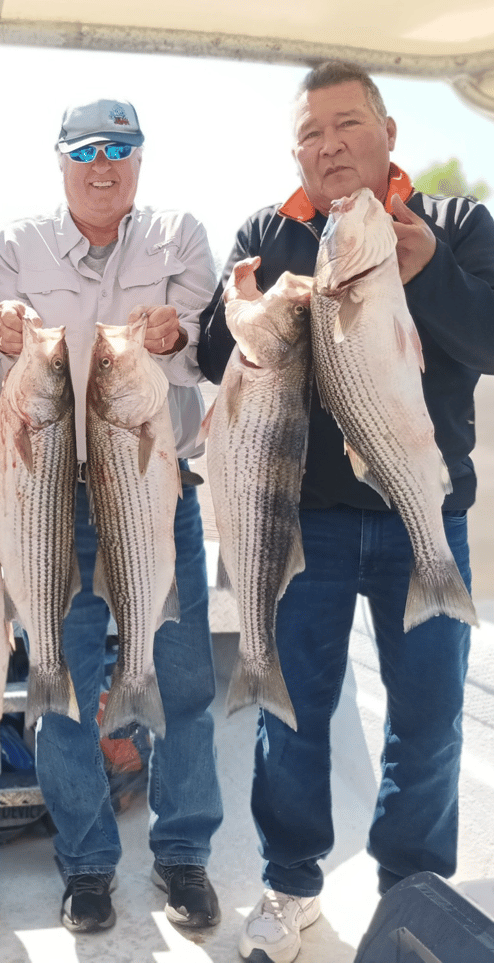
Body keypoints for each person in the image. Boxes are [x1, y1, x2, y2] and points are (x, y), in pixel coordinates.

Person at [198, 60, 494, 963]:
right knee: (291, 716)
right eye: (309, 135)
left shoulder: (456, 223)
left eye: (346, 126)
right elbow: (220, 361)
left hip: (423, 522)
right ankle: (290, 894)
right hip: (304, 525)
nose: (328, 147)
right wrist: (234, 309)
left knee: (430, 723)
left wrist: (432, 271)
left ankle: (412, 899)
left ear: (389, 134)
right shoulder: (270, 229)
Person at [0, 98, 223, 934]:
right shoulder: (15, 245)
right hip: (49, 496)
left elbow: (201, 354)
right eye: (86, 150)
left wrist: (170, 339)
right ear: (61, 161)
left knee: (183, 683)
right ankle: (86, 866)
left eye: (120, 148)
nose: (104, 163)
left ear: (141, 157)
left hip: (157, 490)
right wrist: (4, 341)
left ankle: (184, 856)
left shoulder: (180, 234)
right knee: (62, 690)